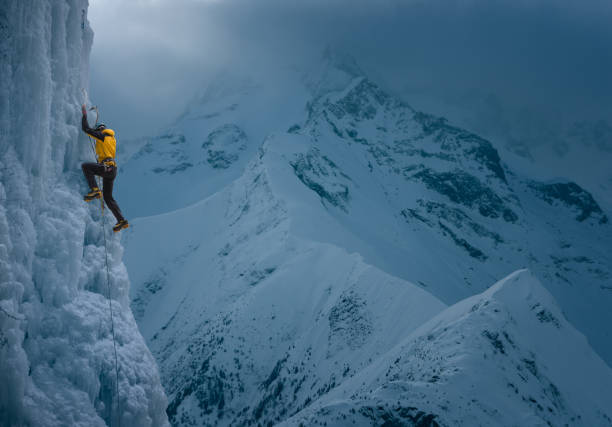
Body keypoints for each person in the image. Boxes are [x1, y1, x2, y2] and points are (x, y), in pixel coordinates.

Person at [80, 104, 129, 233]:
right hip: (112, 170)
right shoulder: (112, 139)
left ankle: (95, 190)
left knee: (86, 167)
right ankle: (121, 220)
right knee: (108, 197)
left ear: (100, 130)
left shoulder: (103, 136)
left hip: (106, 167)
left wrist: (85, 115)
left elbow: (86, 129)